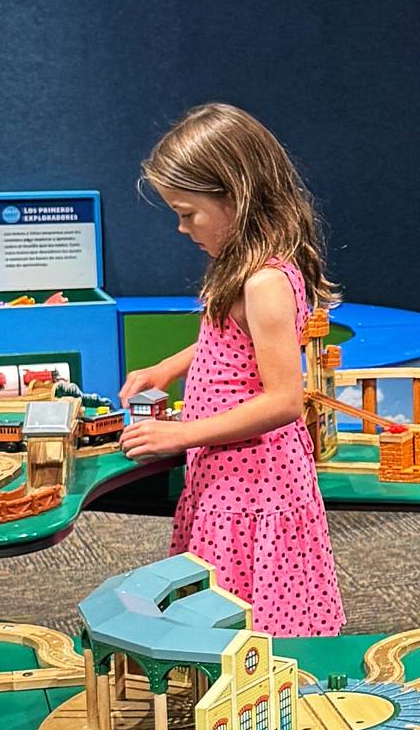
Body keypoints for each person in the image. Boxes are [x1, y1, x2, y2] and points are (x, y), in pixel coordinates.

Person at [120, 104, 345, 635]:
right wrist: (168, 368)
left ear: (235, 196)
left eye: (188, 212)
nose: (180, 227)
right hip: (227, 473)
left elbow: (285, 401)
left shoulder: (264, 282)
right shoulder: (240, 268)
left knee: (249, 609)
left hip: (255, 484)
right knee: (217, 599)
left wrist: (181, 434)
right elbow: (225, 341)